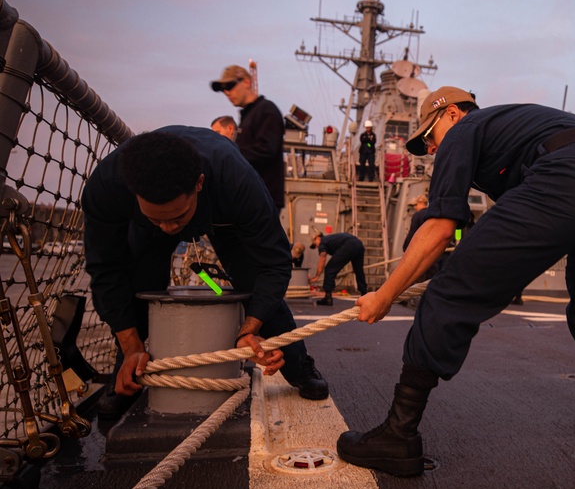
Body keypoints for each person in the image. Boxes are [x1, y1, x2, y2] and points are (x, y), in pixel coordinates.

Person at [336, 86, 575, 476]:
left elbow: (439, 229)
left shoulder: (466, 129)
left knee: (448, 295)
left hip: (568, 177)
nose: (432, 150)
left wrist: (385, 294)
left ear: (451, 114)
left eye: (430, 138)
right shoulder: (511, 128)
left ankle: (398, 435)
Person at [82, 127, 329, 419]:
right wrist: (130, 342)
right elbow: (106, 268)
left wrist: (250, 330)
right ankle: (127, 369)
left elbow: (273, 264)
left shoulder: (237, 181)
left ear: (199, 183)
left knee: (252, 285)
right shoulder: (106, 187)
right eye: (159, 218)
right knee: (140, 285)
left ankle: (299, 365)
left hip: (224, 217)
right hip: (144, 228)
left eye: (178, 218)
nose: (171, 229)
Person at [212, 65, 285, 209]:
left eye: (230, 85)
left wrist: (229, 155)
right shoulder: (248, 115)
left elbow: (266, 150)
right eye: (223, 89)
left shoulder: (266, 110)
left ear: (246, 82)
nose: (227, 92)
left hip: (261, 199)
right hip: (249, 197)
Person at [310, 232, 368, 305]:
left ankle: (328, 297)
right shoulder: (330, 239)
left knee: (329, 269)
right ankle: (365, 295)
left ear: (318, 238)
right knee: (359, 270)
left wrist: (317, 276)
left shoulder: (323, 242)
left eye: (315, 245)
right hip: (359, 244)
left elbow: (323, 257)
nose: (317, 247)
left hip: (348, 245)